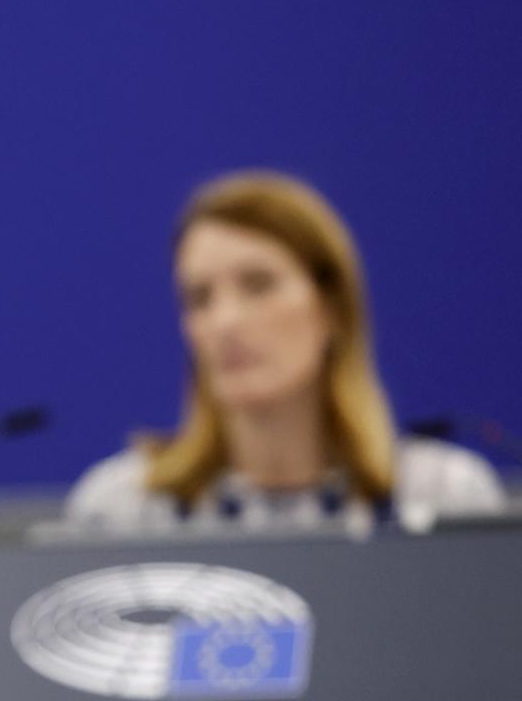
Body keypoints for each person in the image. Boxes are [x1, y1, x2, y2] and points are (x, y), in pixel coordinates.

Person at [67, 171, 505, 530]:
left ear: (332, 306)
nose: (225, 322)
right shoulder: (122, 510)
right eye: (200, 298)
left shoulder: (446, 497)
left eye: (258, 285)